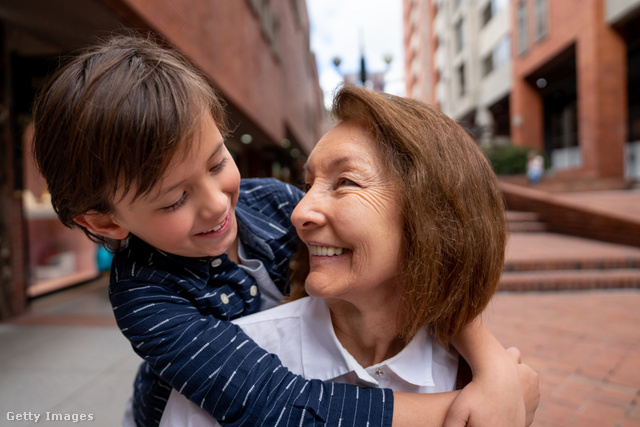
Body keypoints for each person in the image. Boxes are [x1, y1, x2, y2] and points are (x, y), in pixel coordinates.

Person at [32, 35, 536, 427]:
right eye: (175, 199)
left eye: (216, 163)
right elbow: (277, 408)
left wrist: (492, 369)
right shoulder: (145, 293)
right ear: (105, 221)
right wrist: (467, 412)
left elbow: (423, 257)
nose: (215, 205)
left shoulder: (269, 201)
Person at [159, 84, 540, 426]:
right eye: (307, 185)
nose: (299, 211)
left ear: (433, 215)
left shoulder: (480, 377)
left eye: (344, 182)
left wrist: (494, 374)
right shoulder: (227, 370)